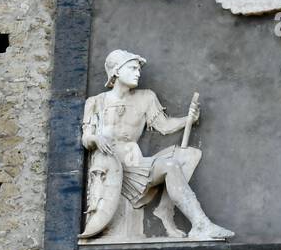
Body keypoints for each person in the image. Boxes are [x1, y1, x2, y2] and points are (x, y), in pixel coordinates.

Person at [81, 50, 231, 240]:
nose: (138, 73)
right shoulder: (95, 102)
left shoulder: (146, 97)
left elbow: (164, 126)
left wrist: (189, 120)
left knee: (173, 164)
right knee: (171, 165)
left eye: (139, 69)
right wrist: (96, 139)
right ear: (117, 71)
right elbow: (86, 139)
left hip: (134, 164)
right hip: (110, 169)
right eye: (133, 68)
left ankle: (201, 225)